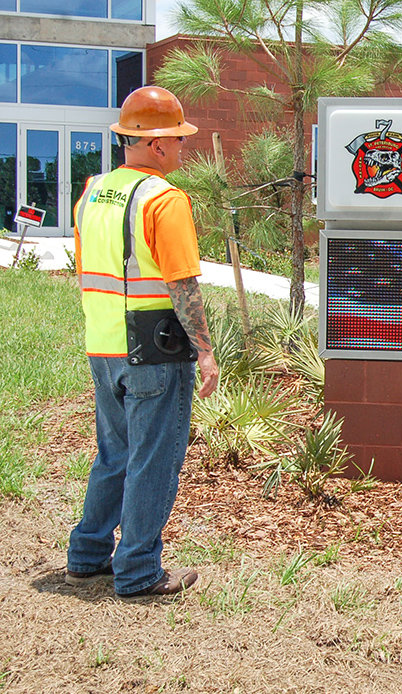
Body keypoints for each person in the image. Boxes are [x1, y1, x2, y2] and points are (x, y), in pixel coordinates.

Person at [65, 86, 219, 596]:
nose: (181, 149)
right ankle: (137, 570)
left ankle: (87, 554)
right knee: (154, 459)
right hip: (154, 350)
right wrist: (205, 349)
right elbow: (182, 285)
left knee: (114, 454)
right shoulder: (165, 200)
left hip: (103, 345)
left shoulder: (91, 192)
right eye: (177, 139)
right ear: (155, 144)